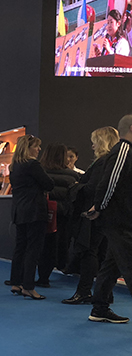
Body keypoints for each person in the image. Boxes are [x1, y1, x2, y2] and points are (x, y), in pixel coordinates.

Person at [63, 127, 119, 304]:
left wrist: (76, 186)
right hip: (104, 213)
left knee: (89, 252)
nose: (92, 146)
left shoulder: (102, 163)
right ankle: (104, 294)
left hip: (93, 213)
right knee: (101, 253)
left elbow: (92, 188)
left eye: (94, 142)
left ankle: (84, 291)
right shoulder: (111, 162)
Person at [86, 114, 132, 323]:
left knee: (111, 265)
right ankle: (100, 307)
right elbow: (110, 182)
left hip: (121, 219)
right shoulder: (123, 150)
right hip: (119, 220)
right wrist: (100, 207)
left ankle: (99, 308)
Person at [8, 135, 54, 299]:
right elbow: (49, 184)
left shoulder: (13, 166)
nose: (39, 149)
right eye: (36, 146)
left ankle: (16, 282)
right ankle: (28, 286)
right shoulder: (33, 165)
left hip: (19, 211)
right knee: (33, 249)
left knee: (20, 247)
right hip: (35, 211)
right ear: (28, 148)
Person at [36, 143, 80, 287]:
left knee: (40, 246)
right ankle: (52, 272)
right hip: (62, 215)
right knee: (59, 245)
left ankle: (39, 278)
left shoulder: (39, 172)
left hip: (41, 213)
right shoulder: (73, 176)